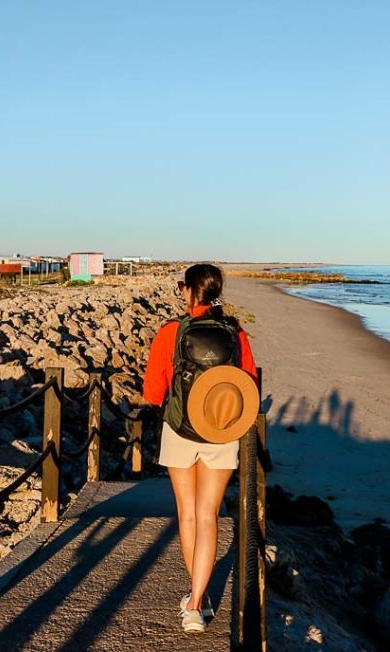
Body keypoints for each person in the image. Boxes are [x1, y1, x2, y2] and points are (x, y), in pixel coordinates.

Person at [142, 263, 258, 634]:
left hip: (179, 430)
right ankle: (195, 602)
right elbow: (249, 384)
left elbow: (152, 392)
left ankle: (198, 598)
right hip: (222, 429)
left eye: (182, 287)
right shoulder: (236, 333)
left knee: (188, 515)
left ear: (190, 291)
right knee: (208, 515)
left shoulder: (171, 333)